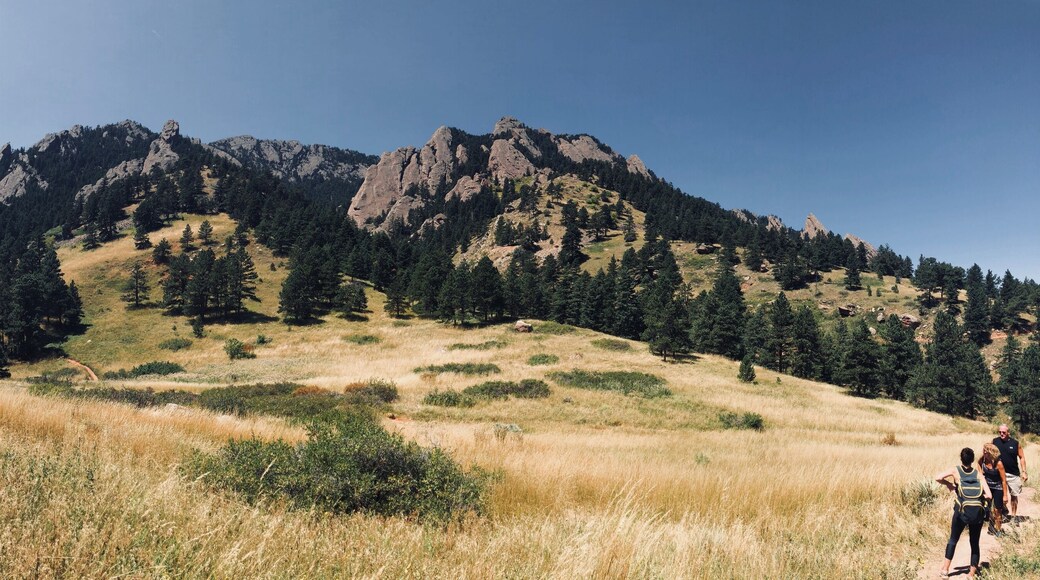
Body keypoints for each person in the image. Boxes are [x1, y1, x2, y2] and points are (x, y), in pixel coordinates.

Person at [936, 447, 991, 579]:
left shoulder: (955, 471)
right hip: (976, 513)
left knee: (953, 539)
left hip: (961, 512)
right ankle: (971, 574)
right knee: (974, 542)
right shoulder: (978, 474)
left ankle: (945, 569)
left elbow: (938, 477)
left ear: (961, 458)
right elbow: (988, 495)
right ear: (972, 460)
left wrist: (949, 484)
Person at [993, 424, 1028, 521]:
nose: (1001, 434)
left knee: (1014, 496)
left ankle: (1013, 517)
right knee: (999, 496)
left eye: (1003, 432)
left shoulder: (1015, 443)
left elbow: (1022, 457)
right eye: (1000, 432)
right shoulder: (995, 441)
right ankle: (1003, 512)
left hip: (1013, 474)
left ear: (1008, 432)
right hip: (999, 474)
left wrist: (1024, 471)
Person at [980, 442, 1009, 535]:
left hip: (998, 487)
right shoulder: (983, 460)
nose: (983, 452)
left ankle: (999, 529)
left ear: (991, 452)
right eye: (983, 450)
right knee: (988, 509)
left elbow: (1004, 480)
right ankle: (991, 527)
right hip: (987, 487)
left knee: (997, 510)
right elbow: (978, 467)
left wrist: (1005, 495)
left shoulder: (998, 463)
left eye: (985, 451)